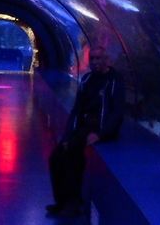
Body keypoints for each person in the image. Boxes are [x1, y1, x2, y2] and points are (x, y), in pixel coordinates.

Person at [46, 46, 125, 217]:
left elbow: (117, 112)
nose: (95, 62)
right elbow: (77, 109)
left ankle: (73, 203)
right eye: (93, 59)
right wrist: (67, 135)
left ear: (107, 60)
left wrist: (101, 134)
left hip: (100, 128)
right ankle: (61, 202)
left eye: (99, 58)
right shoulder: (87, 79)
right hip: (83, 126)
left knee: (73, 155)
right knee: (56, 157)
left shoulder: (114, 80)